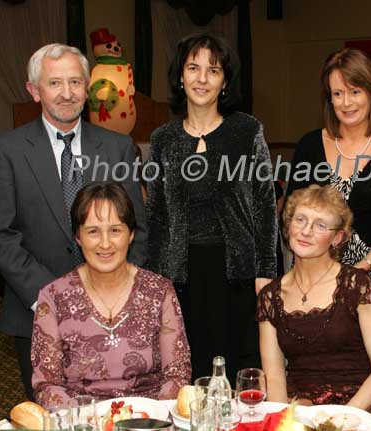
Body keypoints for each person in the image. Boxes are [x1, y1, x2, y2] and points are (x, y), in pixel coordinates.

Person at [0, 43, 147, 400]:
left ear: (87, 88)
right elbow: (0, 235)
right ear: (34, 90)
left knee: (112, 413)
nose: (67, 93)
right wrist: (54, 297)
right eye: (55, 83)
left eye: (76, 82)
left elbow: (139, 230)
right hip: (37, 314)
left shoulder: (117, 147)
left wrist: (119, 295)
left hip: (112, 314)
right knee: (51, 416)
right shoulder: (6, 151)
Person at [145, 33, 277, 383]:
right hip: (181, 275)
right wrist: (154, 282)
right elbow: (156, 215)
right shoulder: (163, 139)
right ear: (180, 76)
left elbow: (265, 206)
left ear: (225, 81)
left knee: (240, 371)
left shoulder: (246, 131)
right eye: (193, 68)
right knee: (187, 371)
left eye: (213, 70)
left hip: (237, 274)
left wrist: (266, 272)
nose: (202, 78)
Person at [31, 182, 190, 407]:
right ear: (78, 237)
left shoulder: (159, 291)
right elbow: (47, 385)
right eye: (93, 231)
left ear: (131, 234)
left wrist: (153, 416)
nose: (105, 244)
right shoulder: (53, 297)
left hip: (148, 420)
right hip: (81, 422)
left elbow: (177, 373)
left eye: (115, 230)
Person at [286, 48, 371, 314]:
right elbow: (289, 215)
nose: (346, 102)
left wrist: (357, 272)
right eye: (337, 94)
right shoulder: (309, 146)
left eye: (355, 91)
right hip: (311, 278)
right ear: (329, 100)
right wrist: (322, 271)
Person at [258, 185, 371, 410]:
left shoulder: (356, 285)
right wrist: (282, 421)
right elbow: (275, 380)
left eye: (320, 225)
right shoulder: (270, 296)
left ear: (337, 238)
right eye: (300, 220)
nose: (306, 231)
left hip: (356, 409)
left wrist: (341, 420)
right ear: (288, 226)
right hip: (298, 410)